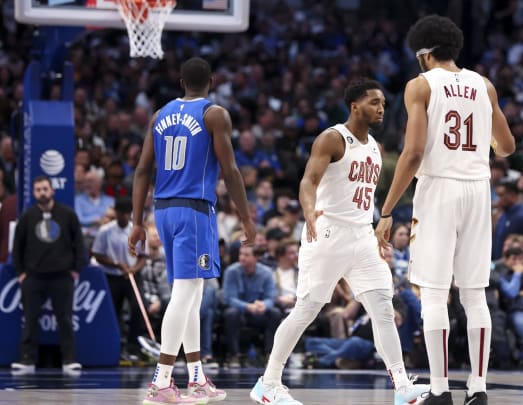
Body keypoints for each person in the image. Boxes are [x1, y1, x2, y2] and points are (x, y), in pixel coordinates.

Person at [251, 79, 428, 405]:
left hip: (363, 235)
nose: (380, 109)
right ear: (355, 105)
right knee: (307, 309)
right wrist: (308, 212)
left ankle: (402, 387)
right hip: (327, 232)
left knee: (383, 308)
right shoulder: (332, 138)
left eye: (384, 104)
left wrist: (379, 226)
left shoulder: (375, 147)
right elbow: (308, 181)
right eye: (374, 102)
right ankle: (268, 383)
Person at [375, 15, 515, 405]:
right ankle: (479, 387)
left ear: (424, 54)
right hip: (477, 189)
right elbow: (506, 147)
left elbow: (415, 152)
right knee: (474, 294)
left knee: (434, 294)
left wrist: (387, 211)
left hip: (439, 189)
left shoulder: (420, 85)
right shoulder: (484, 85)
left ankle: (439, 389)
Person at [129, 57, 256, 404]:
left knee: (194, 293)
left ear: (181, 82)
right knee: (186, 293)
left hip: (163, 211)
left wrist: (137, 221)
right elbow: (229, 171)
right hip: (193, 211)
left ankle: (197, 377)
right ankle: (162, 380)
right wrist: (246, 218)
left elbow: (142, 171)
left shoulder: (159, 116)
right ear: (211, 82)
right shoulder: (214, 114)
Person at [10, 176, 84, 375]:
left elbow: (79, 242)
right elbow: (17, 247)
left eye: (45, 188)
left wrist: (76, 268)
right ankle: (27, 359)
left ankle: (69, 359)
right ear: (34, 193)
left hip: (62, 276)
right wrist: (20, 273)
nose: (42, 192)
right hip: (33, 276)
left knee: (65, 319)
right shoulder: (27, 216)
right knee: (30, 318)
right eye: (38, 190)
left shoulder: (67, 214)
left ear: (52, 190)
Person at [92, 197, 147, 360]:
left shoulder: (136, 230)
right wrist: (116, 264)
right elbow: (96, 254)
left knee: (138, 308)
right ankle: (115, 346)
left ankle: (133, 345)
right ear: (116, 213)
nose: (124, 216)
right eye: (121, 213)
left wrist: (132, 269)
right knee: (112, 311)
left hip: (132, 275)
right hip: (112, 275)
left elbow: (143, 257)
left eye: (127, 213)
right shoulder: (105, 231)